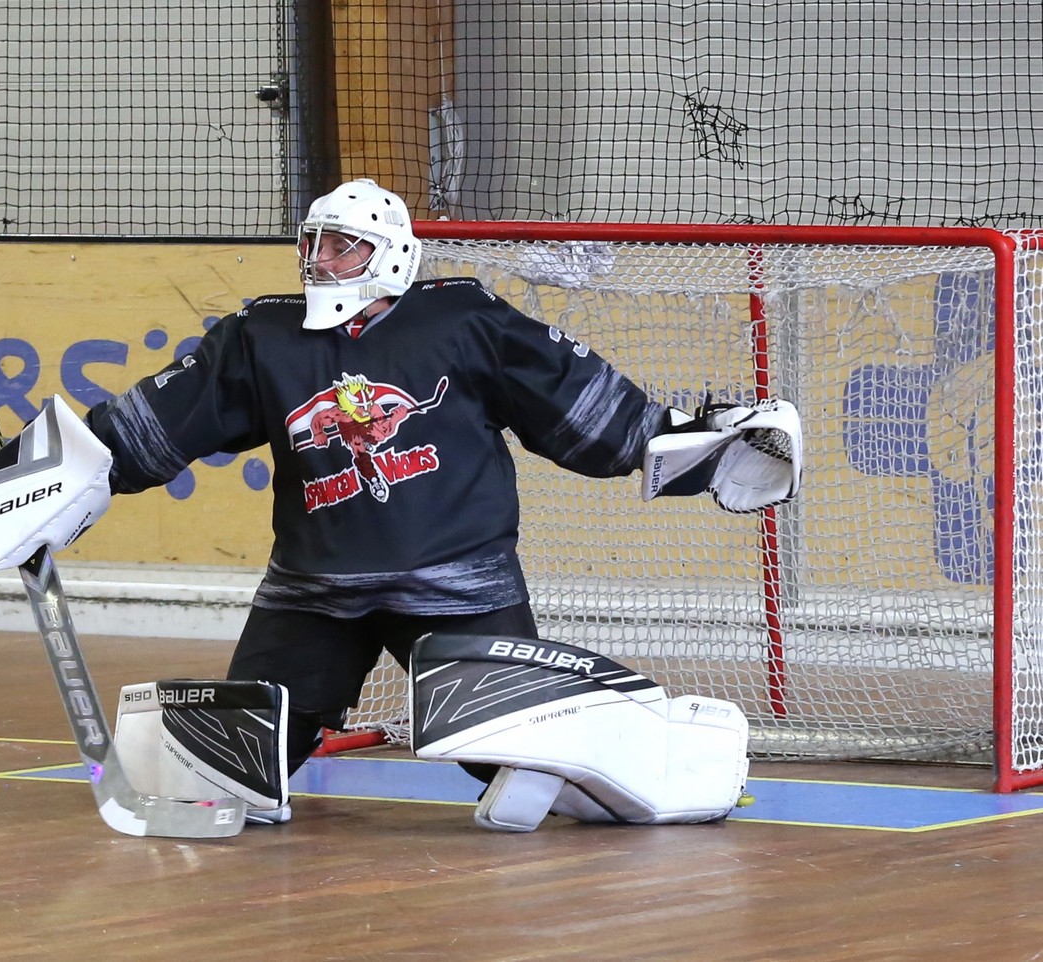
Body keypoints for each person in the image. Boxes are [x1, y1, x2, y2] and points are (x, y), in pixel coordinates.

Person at [80, 178, 799, 821]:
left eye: (342, 246)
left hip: (457, 584)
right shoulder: (261, 334)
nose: (319, 260)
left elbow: (580, 405)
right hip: (314, 591)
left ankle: (682, 768)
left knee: (521, 765)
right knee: (231, 768)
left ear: (391, 255)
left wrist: (695, 446)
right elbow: (161, 423)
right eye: (313, 242)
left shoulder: (463, 319)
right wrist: (67, 477)